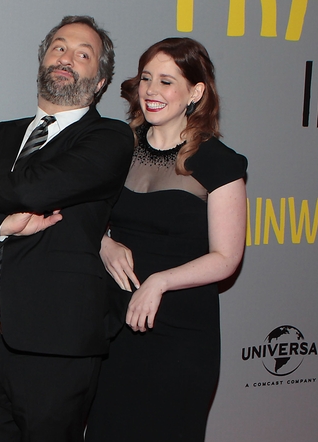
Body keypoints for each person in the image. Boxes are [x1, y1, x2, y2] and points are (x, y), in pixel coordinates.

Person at [0, 16, 134, 441]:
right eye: (59, 47)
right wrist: (0, 225)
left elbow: (34, 188)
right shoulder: (0, 134)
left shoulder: (110, 137)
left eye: (84, 55)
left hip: (58, 346)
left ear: (101, 80)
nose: (67, 58)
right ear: (43, 61)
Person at [85, 38, 247, 441]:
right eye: (146, 78)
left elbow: (226, 258)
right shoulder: (118, 148)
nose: (152, 91)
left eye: (166, 81)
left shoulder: (218, 162)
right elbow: (85, 218)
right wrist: (104, 243)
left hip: (181, 332)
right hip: (115, 325)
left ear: (195, 92)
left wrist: (160, 281)